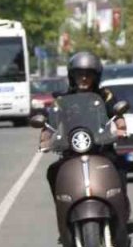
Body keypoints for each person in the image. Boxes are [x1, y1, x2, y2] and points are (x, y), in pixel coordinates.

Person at [40, 52, 128, 197]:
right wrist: (45, 140)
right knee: (53, 171)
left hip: (102, 150)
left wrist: (121, 129)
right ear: (72, 76)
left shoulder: (106, 96)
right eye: (79, 74)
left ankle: (121, 209)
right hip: (71, 152)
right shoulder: (62, 99)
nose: (84, 78)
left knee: (120, 166)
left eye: (89, 74)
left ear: (96, 77)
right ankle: (63, 208)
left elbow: (118, 116)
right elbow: (50, 125)